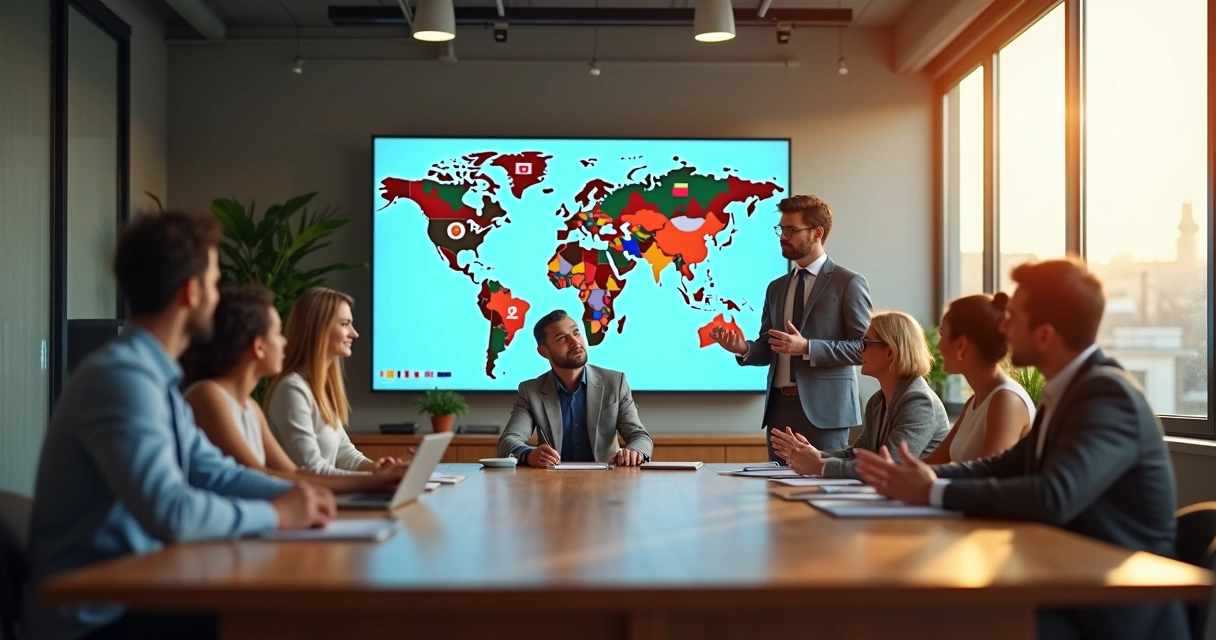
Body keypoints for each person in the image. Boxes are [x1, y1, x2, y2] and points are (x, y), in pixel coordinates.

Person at [21, 213, 334, 640]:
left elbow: (214, 472)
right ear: (191, 292)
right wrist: (276, 513)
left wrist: (297, 496)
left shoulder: (154, 380)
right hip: (93, 617)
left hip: (137, 590)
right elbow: (172, 511)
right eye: (213, 281)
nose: (217, 295)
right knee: (297, 622)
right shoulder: (122, 379)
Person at [854, 258, 1185, 640]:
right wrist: (924, 477)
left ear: (1044, 335)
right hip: (1068, 580)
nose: (1004, 326)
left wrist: (931, 489)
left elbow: (1053, 494)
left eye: (1013, 317)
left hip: (1112, 609)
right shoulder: (1066, 391)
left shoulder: (1107, 395)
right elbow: (1007, 464)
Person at [181, 285, 407, 493]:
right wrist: (374, 481)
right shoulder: (208, 396)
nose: (285, 342)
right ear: (259, 347)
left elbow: (294, 473)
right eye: (278, 333)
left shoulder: (251, 408)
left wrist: (378, 474)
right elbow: (257, 475)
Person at [709, 195, 872, 461]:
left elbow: (863, 348)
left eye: (791, 230)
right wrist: (743, 348)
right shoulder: (776, 288)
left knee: (819, 488)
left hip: (826, 412)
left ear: (817, 233)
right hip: (779, 410)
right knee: (777, 494)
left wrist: (807, 347)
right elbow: (768, 347)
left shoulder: (848, 282)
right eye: (781, 229)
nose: (783, 236)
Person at [770, 311, 949, 478]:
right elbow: (859, 453)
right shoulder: (877, 401)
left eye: (866, 343)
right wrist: (817, 455)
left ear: (890, 352)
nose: (860, 350)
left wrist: (820, 466)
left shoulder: (918, 401)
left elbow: (890, 466)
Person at [265, 287, 403, 476]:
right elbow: (312, 470)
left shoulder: (322, 388)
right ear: (319, 329)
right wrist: (378, 479)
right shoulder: (292, 390)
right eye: (345, 324)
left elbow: (345, 454)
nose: (354, 333)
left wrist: (377, 469)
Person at [498, 310, 654, 467]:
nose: (575, 342)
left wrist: (634, 452)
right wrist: (528, 455)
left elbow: (640, 437)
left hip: (606, 481)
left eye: (576, 332)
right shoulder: (531, 391)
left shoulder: (615, 383)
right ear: (544, 352)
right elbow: (508, 440)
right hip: (552, 484)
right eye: (562, 338)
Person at [921, 293, 1035, 464]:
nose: (938, 346)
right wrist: (887, 471)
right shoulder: (976, 400)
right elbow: (935, 462)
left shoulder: (1006, 400)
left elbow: (986, 476)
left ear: (961, 344)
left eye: (942, 335)